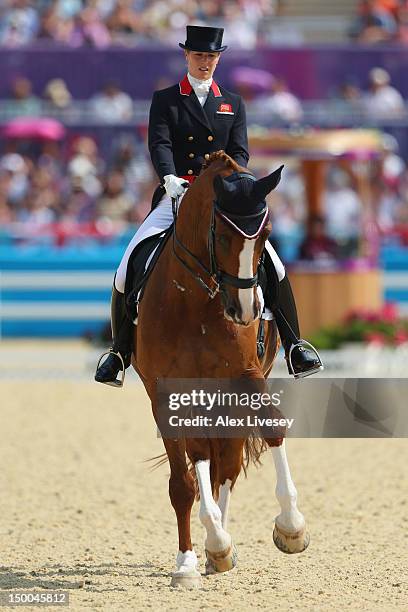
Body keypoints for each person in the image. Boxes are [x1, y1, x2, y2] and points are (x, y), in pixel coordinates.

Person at [95, 25, 323, 387]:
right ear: (187, 56)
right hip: (178, 195)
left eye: (211, 57)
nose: (205, 62)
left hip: (223, 198)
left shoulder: (232, 101)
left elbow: (240, 151)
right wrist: (169, 176)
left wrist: (237, 182)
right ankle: (119, 352)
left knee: (274, 265)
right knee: (129, 261)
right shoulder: (167, 99)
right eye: (199, 56)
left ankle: (295, 345)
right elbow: (160, 144)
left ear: (218, 58)